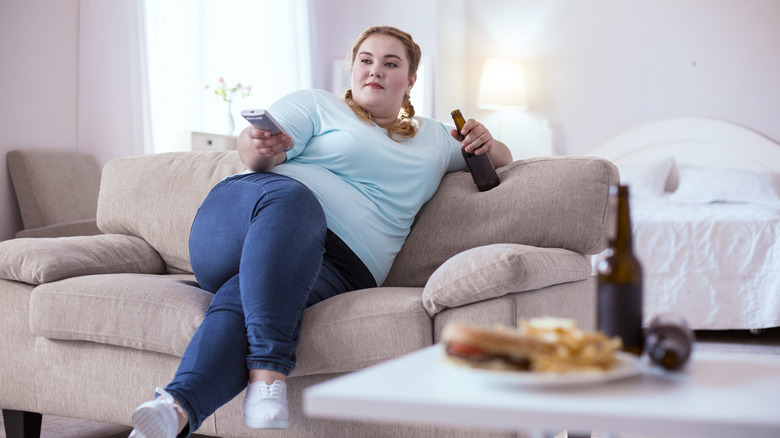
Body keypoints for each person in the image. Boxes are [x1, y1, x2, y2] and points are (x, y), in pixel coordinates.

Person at [128, 25, 512, 438]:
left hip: (340, 266)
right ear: (352, 68)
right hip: (244, 220)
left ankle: (174, 410)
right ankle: (269, 372)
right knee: (297, 200)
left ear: (411, 80)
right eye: (365, 60)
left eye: (390, 63)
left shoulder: (434, 137)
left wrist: (485, 140)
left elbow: (503, 158)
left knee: (242, 298)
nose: (374, 71)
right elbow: (256, 151)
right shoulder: (319, 106)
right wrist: (260, 146)